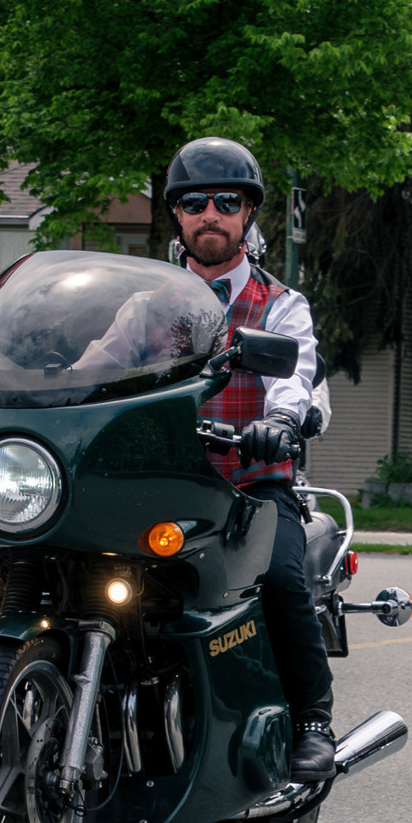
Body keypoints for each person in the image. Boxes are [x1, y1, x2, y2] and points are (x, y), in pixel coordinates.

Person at [166, 136, 338, 778]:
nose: (209, 213)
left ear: (246, 215)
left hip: (253, 483)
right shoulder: (148, 306)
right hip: (169, 481)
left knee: (283, 579)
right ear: (178, 216)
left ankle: (314, 720)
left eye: (226, 202)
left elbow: (293, 372)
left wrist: (281, 421)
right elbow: (102, 357)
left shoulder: (281, 304)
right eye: (194, 202)